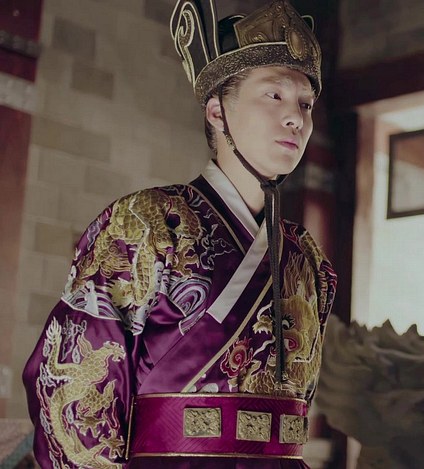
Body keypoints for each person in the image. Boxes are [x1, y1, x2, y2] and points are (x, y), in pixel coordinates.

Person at [22, 1, 336, 467]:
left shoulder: (306, 257)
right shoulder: (148, 223)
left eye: (305, 104)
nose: (296, 118)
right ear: (217, 112)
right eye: (275, 95)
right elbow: (72, 390)